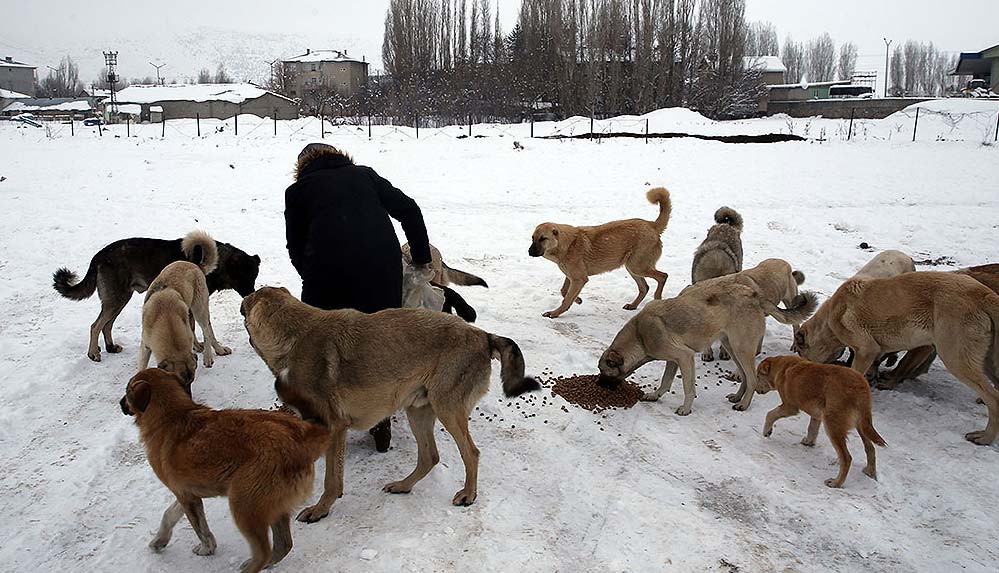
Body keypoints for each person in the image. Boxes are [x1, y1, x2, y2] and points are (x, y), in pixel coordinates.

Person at [285, 143, 432, 452]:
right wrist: (420, 257)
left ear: (302, 168)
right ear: (340, 156)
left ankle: (320, 418)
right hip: (380, 270)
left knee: (320, 346)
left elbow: (295, 246)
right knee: (376, 342)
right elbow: (410, 210)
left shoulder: (297, 192)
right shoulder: (364, 176)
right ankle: (379, 420)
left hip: (327, 275)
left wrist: (310, 274)